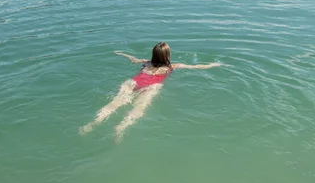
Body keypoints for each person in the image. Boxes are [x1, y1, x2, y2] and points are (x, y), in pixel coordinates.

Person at [80, 42, 220, 141]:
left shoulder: (147, 62)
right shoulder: (172, 66)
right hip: (151, 87)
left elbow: (133, 59)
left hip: (133, 83)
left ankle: (93, 123)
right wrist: (213, 65)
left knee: (114, 104)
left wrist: (122, 54)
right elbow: (196, 67)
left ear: (154, 54)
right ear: (168, 56)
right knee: (138, 109)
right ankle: (121, 127)